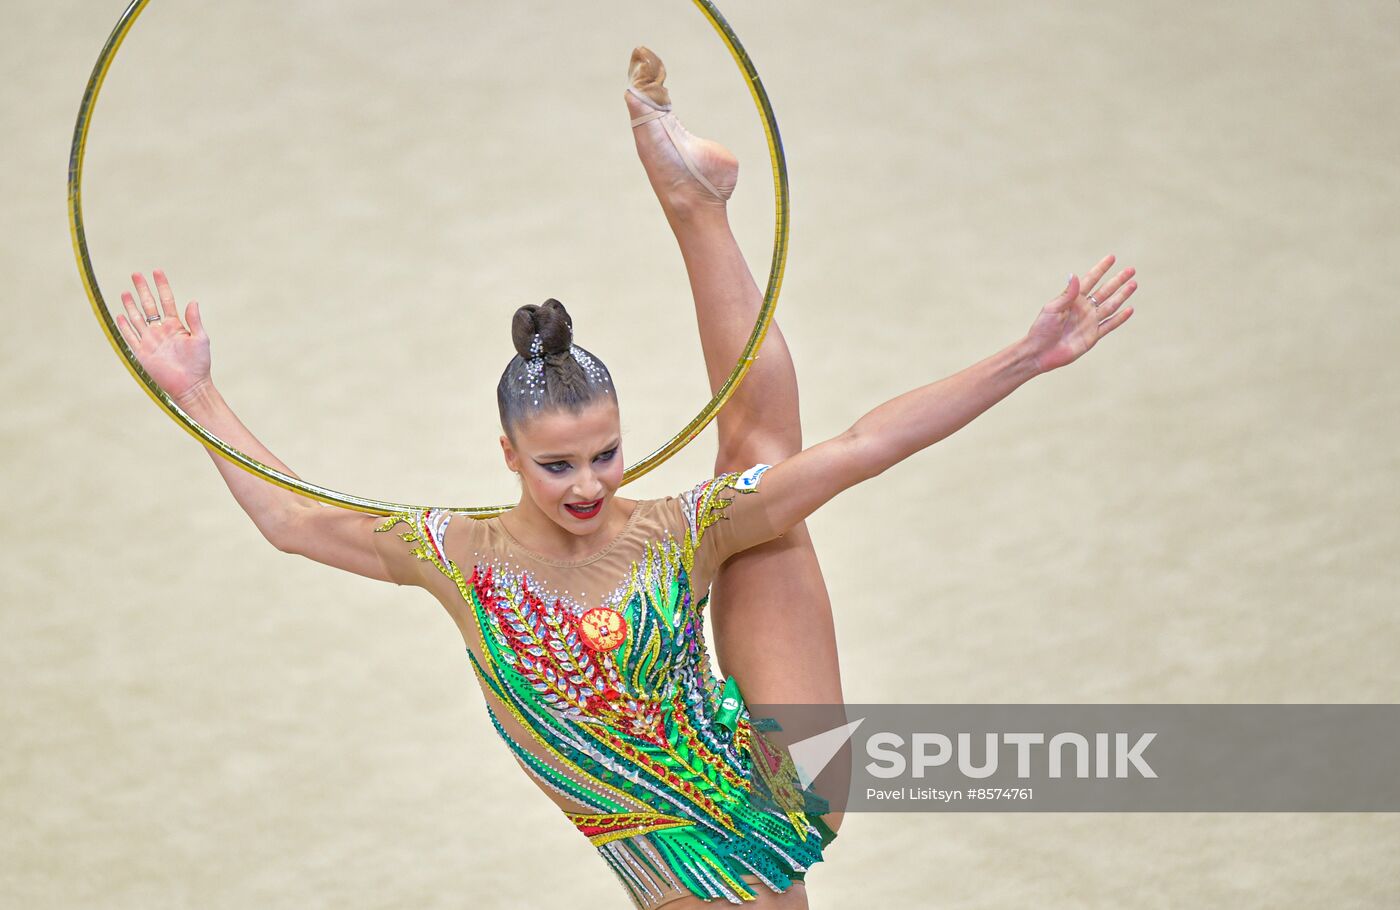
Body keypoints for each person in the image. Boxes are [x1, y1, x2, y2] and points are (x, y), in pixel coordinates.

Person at [113, 47, 1136, 909]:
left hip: (768, 787)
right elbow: (290, 519)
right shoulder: (452, 554)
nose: (588, 482)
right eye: (556, 464)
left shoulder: (671, 531)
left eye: (604, 452)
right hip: (720, 817)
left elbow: (866, 444)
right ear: (504, 455)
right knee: (758, 454)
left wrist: (1021, 358)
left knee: (765, 472)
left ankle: (692, 200)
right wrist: (195, 393)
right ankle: (692, 202)